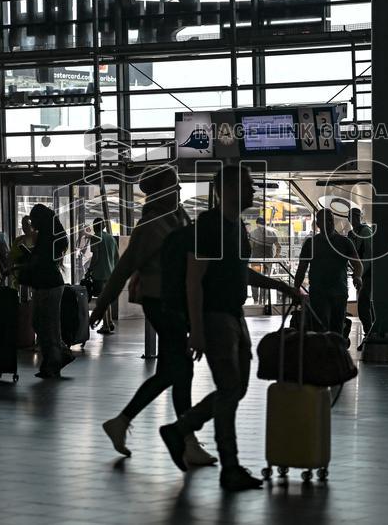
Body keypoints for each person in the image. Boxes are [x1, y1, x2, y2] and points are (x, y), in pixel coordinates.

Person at [158, 165, 298, 492]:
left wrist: (280, 285)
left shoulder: (237, 227)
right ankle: (229, 466)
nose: (253, 191)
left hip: (235, 315)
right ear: (230, 189)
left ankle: (179, 430)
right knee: (229, 387)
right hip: (215, 317)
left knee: (235, 389)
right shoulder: (209, 226)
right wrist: (197, 329)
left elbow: (240, 272)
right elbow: (194, 281)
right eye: (248, 185)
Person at [91, 165, 216, 466]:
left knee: (174, 371)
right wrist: (102, 305)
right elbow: (123, 269)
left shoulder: (178, 217)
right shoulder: (150, 227)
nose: (179, 191)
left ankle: (126, 423)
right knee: (180, 369)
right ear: (159, 192)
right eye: (173, 186)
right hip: (160, 304)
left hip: (174, 304)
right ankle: (185, 439)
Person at [16, 203, 74, 379]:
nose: (32, 223)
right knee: (45, 324)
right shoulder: (51, 236)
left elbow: (40, 261)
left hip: (48, 285)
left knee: (46, 325)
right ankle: (57, 356)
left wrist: (24, 263)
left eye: (33, 219)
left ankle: (54, 362)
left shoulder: (47, 238)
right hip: (49, 284)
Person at [294, 208, 363, 337]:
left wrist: (358, 276)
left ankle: (334, 347)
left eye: (330, 220)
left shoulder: (345, 242)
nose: (329, 223)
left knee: (336, 328)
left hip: (339, 293)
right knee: (321, 328)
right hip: (319, 294)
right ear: (318, 224)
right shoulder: (310, 244)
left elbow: (357, 264)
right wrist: (296, 288)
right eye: (325, 221)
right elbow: (301, 268)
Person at [87, 217, 119, 334]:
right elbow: (116, 257)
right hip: (110, 273)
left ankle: (105, 326)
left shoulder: (95, 237)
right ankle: (109, 322)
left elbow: (95, 257)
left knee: (101, 299)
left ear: (95, 227)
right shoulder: (111, 238)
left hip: (100, 273)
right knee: (107, 299)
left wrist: (90, 269)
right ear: (104, 226)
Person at [347, 207, 375, 339]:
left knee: (363, 303)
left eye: (356, 217)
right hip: (361, 272)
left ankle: (369, 332)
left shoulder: (365, 231)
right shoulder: (352, 234)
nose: (354, 220)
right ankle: (371, 331)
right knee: (365, 302)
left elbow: (369, 254)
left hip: (367, 272)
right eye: (352, 217)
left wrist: (361, 273)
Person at [249, 216, 280, 308]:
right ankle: (264, 300)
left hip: (256, 260)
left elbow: (250, 247)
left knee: (254, 279)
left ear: (256, 224)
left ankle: (256, 300)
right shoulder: (272, 233)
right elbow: (278, 247)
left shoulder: (253, 233)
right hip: (268, 261)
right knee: (265, 279)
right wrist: (276, 256)